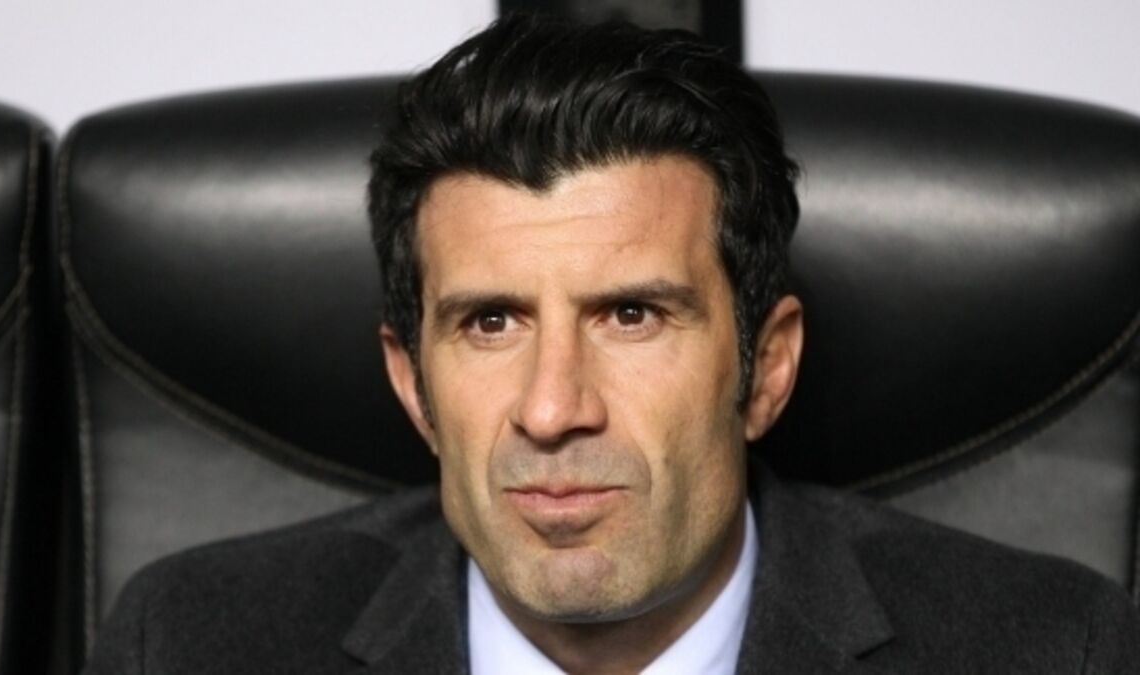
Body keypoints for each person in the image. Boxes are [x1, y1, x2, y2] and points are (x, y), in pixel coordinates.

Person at [85, 14, 1140, 674]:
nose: (553, 409)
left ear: (765, 368)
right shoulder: (185, 645)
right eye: (491, 322)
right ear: (412, 384)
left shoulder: (1056, 650)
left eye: (632, 315)